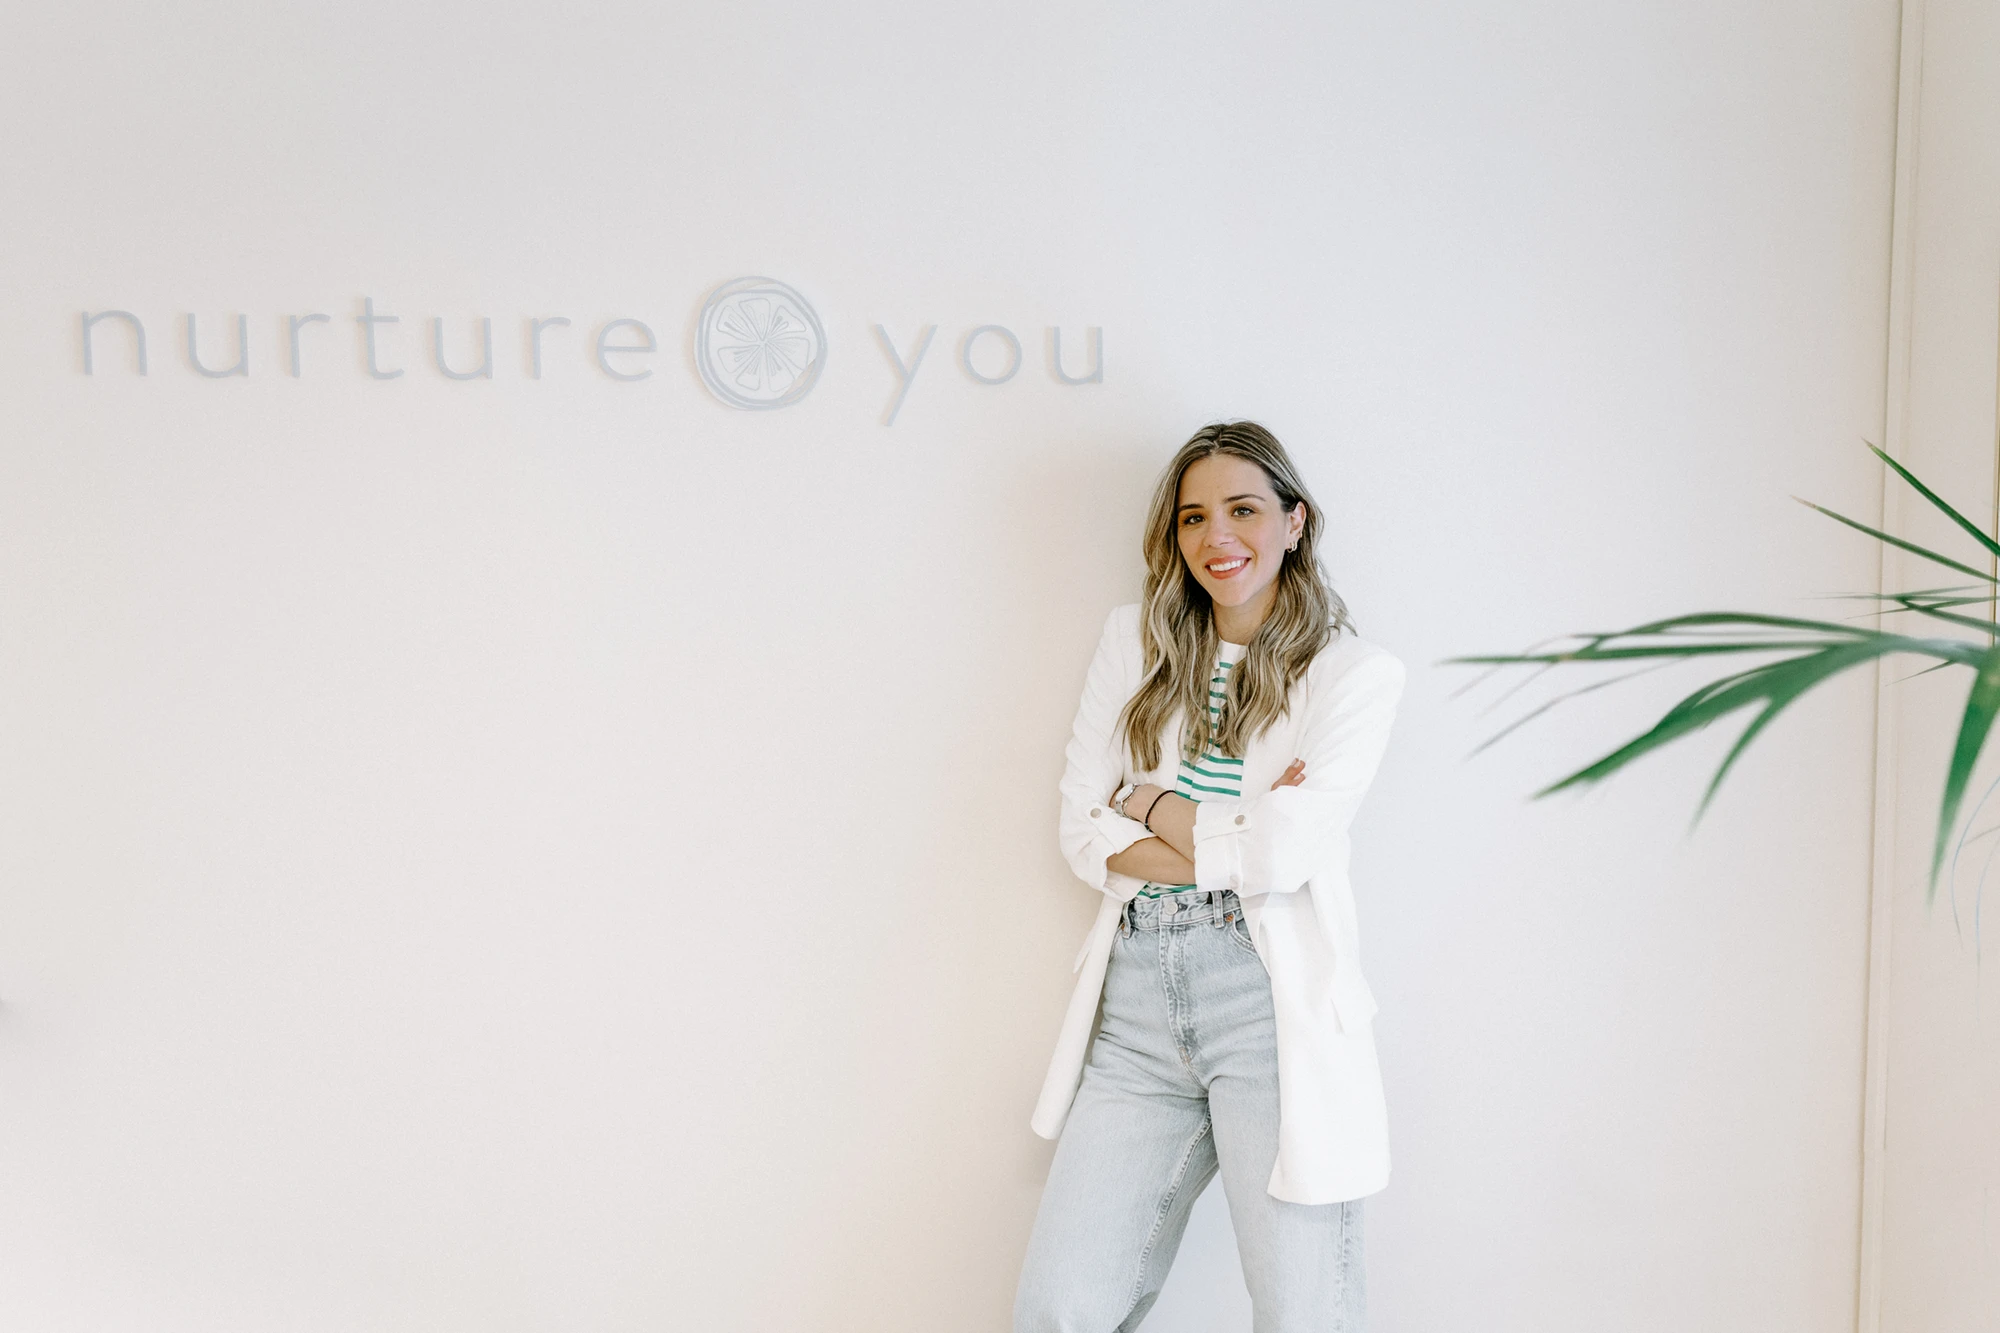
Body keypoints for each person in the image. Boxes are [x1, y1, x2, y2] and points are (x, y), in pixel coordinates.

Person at [1013, 421, 1408, 1333]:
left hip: (1269, 1008)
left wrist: (1148, 802)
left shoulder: (1354, 674)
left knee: (1302, 1311)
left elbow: (1282, 859)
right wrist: (1237, 832)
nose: (1216, 538)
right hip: (1137, 1008)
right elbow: (1082, 830)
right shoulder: (1134, 642)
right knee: (1059, 1308)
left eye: (1243, 510)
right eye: (1194, 517)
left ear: (1295, 521)